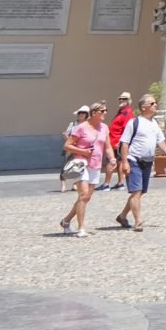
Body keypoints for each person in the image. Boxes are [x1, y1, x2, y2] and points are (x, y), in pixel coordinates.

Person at [117, 95, 165, 232]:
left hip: (147, 162)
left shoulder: (154, 123)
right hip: (134, 160)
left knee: (139, 192)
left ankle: (122, 216)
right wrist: (125, 162)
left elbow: (160, 140)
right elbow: (124, 143)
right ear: (143, 107)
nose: (155, 105)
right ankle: (138, 221)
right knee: (136, 191)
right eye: (152, 103)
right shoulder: (134, 122)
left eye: (155, 102)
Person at [59, 101, 107, 237]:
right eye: (102, 111)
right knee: (83, 194)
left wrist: (112, 158)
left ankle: (66, 221)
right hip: (82, 164)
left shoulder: (104, 128)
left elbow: (107, 145)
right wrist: (83, 151)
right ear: (94, 113)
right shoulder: (81, 128)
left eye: (105, 111)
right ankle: (81, 228)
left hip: (96, 165)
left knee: (86, 197)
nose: (105, 113)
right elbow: (67, 145)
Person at [102, 93, 134, 191]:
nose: (121, 100)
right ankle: (120, 183)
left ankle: (106, 184)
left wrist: (119, 143)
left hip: (117, 142)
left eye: (124, 99)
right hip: (113, 141)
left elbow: (126, 129)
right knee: (119, 162)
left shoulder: (127, 112)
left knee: (110, 161)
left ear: (128, 101)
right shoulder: (121, 111)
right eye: (120, 99)